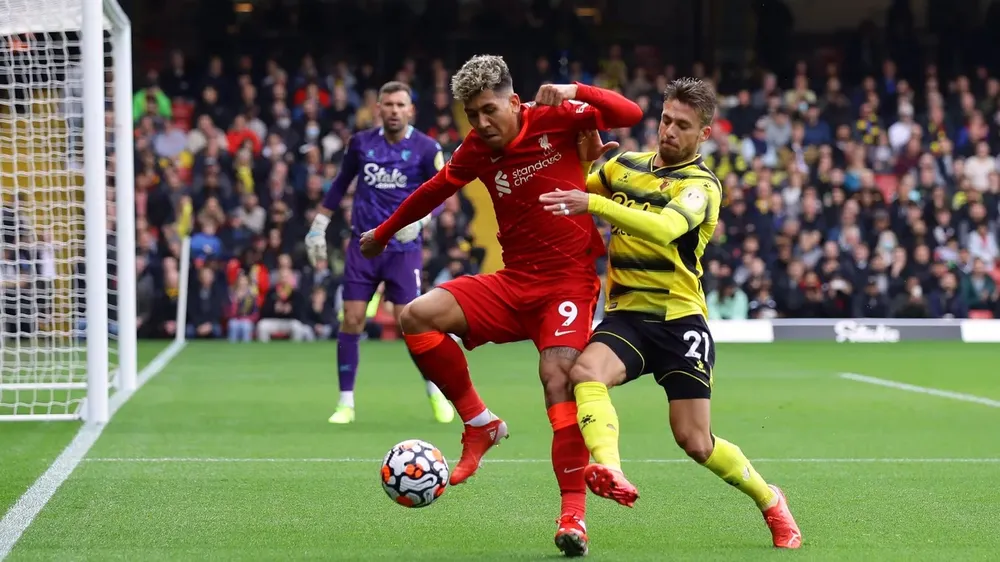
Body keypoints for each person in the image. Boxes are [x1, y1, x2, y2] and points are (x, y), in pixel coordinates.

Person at [360, 55, 642, 557]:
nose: (482, 123)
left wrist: (575, 89)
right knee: (416, 316)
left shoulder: (556, 116)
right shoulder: (475, 148)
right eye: (472, 115)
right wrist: (383, 234)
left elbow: (631, 113)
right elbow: (433, 191)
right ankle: (479, 422)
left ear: (514, 101)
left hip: (567, 285)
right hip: (515, 283)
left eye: (489, 110)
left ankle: (573, 517)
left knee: (557, 377)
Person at [539, 77, 803, 549]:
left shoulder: (702, 186)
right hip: (627, 317)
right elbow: (570, 189)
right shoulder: (623, 166)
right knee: (585, 373)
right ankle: (610, 469)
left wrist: (596, 202)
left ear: (704, 134)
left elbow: (664, 228)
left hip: (680, 322)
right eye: (666, 120)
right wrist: (582, 161)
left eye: (683, 125)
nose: (669, 131)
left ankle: (770, 500)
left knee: (695, 441)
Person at [304, 81, 455, 425]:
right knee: (352, 319)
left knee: (411, 324)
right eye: (388, 104)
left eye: (400, 105)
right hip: (364, 245)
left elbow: (443, 192)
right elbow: (341, 183)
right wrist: (319, 224)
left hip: (404, 248)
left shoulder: (426, 148)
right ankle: (345, 403)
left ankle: (435, 391)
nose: (394, 111)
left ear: (410, 109)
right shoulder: (361, 143)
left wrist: (422, 221)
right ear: (379, 109)